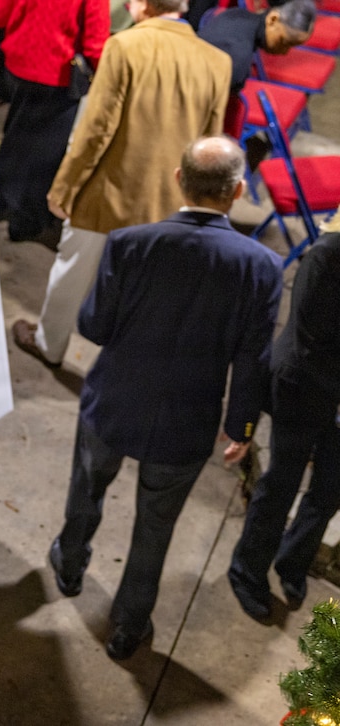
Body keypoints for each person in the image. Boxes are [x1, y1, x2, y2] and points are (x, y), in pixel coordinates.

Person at [47, 137, 283, 661]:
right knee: (156, 527)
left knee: (87, 488)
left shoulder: (130, 243)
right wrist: (241, 428)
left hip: (113, 401)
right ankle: (129, 625)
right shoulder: (262, 267)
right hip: (188, 419)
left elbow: (94, 325)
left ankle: (68, 565)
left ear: (179, 179)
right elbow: (252, 360)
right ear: (239, 191)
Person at [12, 0, 231, 368]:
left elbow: (97, 128)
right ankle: (122, 363)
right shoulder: (217, 62)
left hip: (109, 190)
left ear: (143, 5)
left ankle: (49, 344)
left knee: (73, 270)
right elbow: (207, 143)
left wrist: (64, 187)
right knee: (142, 290)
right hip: (170, 200)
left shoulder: (125, 45)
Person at [228, 210, 340, 621]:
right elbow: (312, 341)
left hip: (334, 393)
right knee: (281, 484)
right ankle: (246, 571)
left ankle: (292, 562)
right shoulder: (327, 254)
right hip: (303, 386)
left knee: (330, 488)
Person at [0, 0, 109, 244]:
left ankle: (0, 202)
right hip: (58, 73)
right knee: (46, 152)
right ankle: (25, 221)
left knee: (15, 134)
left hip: (19, 63)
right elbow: (95, 43)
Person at [198, 0, 315, 93]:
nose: (285, 52)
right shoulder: (239, 59)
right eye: (283, 42)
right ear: (272, 19)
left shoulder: (236, 14)